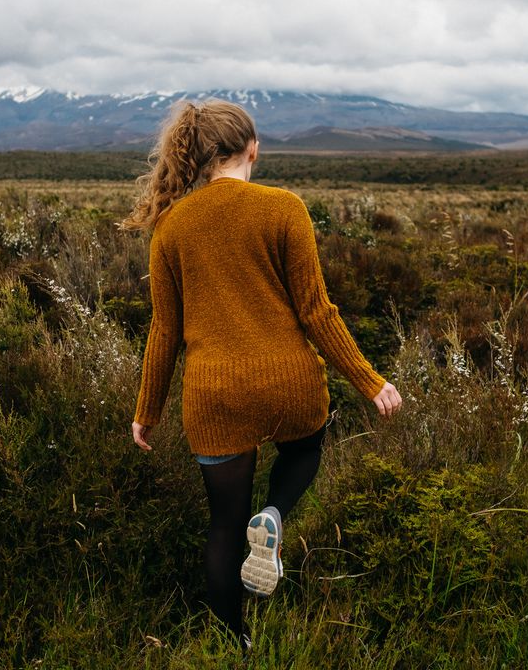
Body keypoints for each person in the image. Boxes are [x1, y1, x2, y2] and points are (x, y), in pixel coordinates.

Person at [119, 98, 402, 650]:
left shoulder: (171, 228)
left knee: (223, 528)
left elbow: (163, 333)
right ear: (253, 149)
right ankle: (273, 515)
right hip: (289, 382)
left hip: (214, 396)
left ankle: (232, 645)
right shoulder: (285, 208)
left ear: (198, 157)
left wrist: (146, 412)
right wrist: (371, 381)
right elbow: (318, 312)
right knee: (305, 448)